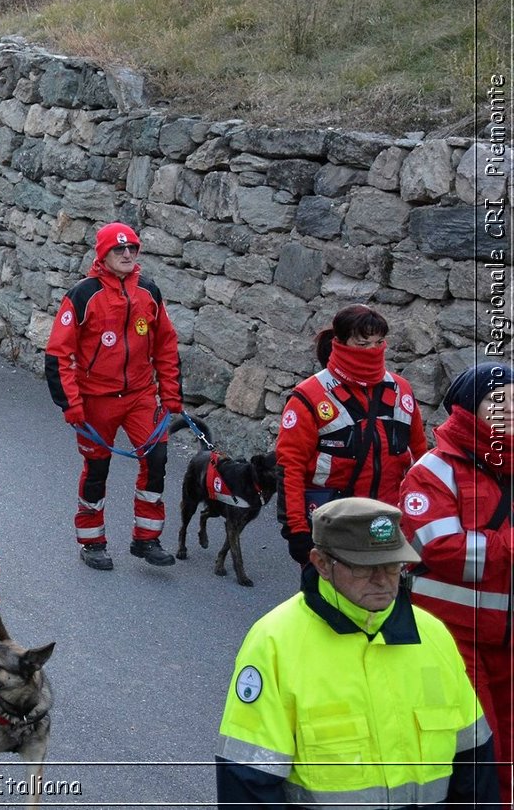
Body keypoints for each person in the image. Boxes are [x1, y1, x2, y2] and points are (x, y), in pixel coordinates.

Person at [216, 497, 496, 807]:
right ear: (322, 563)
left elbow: (475, 764)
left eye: (392, 565)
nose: (382, 581)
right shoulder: (273, 643)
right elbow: (247, 782)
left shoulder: (433, 635)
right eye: (365, 567)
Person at [401, 362, 514, 805]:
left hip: (505, 635)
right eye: (498, 400)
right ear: (470, 409)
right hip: (451, 635)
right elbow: (439, 549)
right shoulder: (433, 470)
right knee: (475, 749)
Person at [43, 222, 182, 570]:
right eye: (118, 249)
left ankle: (146, 537)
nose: (126, 254)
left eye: (132, 249)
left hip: (140, 395)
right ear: (102, 255)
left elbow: (166, 344)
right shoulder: (83, 294)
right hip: (95, 400)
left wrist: (171, 394)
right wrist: (71, 403)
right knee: (96, 469)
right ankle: (92, 542)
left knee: (158, 460)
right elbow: (58, 353)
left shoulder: (149, 292)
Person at [276, 305, 427, 567]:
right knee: (331, 603)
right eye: (363, 343)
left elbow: (421, 458)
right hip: (334, 523)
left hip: (388, 522)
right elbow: (290, 467)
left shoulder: (401, 390)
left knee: (384, 599)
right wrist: (297, 531)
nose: (373, 350)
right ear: (341, 342)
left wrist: (424, 515)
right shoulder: (310, 396)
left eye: (379, 342)